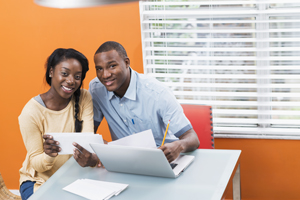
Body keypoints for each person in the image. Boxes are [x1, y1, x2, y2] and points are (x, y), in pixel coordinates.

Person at [88, 41, 200, 163]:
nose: (105, 75)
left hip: (163, 160)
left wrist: (178, 146)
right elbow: (88, 131)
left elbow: (192, 138)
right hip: (124, 161)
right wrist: (104, 149)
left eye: (112, 66)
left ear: (126, 63)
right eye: (99, 69)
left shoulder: (158, 93)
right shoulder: (96, 89)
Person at [18, 48, 97, 200]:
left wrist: (92, 157)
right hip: (38, 182)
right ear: (51, 72)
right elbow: (37, 164)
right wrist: (49, 155)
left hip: (74, 177)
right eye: (65, 73)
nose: (71, 81)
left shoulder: (84, 97)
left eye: (77, 76)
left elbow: (88, 141)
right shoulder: (30, 112)